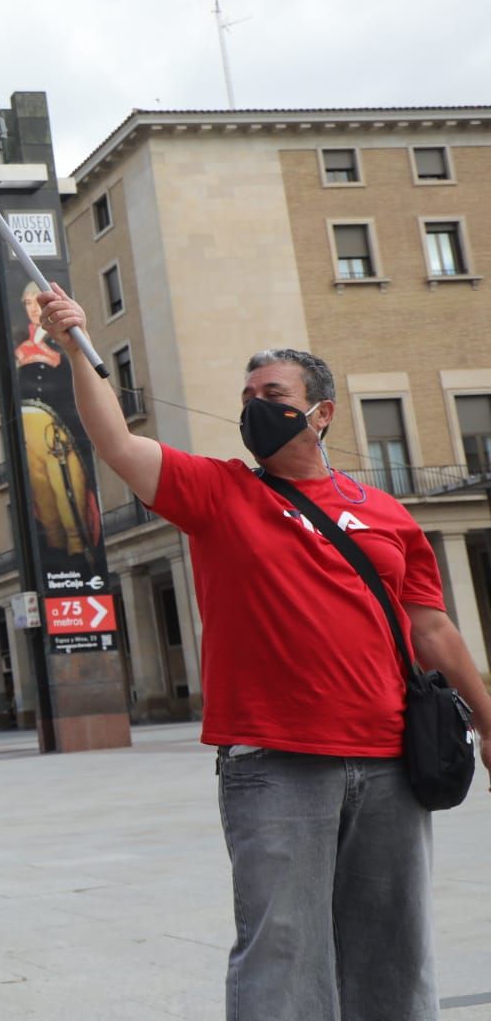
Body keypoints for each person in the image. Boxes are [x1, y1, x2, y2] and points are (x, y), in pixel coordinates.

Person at [36, 282, 491, 1021]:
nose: (255, 405)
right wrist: (74, 345)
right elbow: (117, 444)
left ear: (322, 412)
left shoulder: (386, 514)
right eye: (248, 394)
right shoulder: (218, 493)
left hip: (388, 760)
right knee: (281, 953)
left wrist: (487, 717)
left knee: (394, 952)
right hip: (274, 763)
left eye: (273, 392)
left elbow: (431, 628)